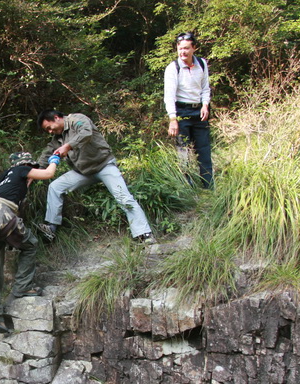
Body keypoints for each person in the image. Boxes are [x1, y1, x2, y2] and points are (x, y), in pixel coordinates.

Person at [35, 110, 155, 243]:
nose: (50, 132)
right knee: (55, 187)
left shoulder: (77, 120)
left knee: (123, 197)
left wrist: (67, 146)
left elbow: (86, 132)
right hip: (83, 172)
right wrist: (34, 172)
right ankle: (51, 228)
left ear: (56, 118)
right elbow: (46, 154)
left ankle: (144, 235)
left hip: (104, 166)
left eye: (49, 128)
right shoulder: (58, 138)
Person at [0, 152, 60, 334]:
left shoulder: (2, 178)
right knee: (31, 244)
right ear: (27, 165)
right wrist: (55, 159)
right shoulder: (22, 169)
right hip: (4, 215)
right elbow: (48, 174)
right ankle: (23, 287)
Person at [164, 32, 213, 189]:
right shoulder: (173, 68)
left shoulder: (202, 64)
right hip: (181, 112)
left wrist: (205, 105)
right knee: (182, 151)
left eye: (186, 48)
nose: (183, 52)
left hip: (199, 111)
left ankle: (208, 187)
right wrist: (173, 119)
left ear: (194, 48)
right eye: (180, 48)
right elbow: (169, 96)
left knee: (204, 150)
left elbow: (205, 88)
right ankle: (186, 188)